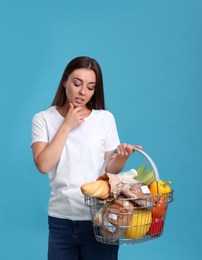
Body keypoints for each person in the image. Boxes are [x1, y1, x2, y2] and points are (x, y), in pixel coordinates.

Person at [31, 56, 141, 260]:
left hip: (100, 218)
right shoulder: (43, 119)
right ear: (65, 81)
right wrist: (67, 125)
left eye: (90, 87)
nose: (83, 92)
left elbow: (108, 171)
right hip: (60, 219)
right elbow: (43, 165)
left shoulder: (105, 119)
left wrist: (123, 157)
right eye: (77, 83)